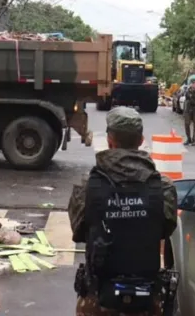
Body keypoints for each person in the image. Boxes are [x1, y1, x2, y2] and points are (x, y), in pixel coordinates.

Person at [68, 107, 178, 316]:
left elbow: (79, 231)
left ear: (110, 141)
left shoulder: (88, 185)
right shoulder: (163, 187)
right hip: (145, 301)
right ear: (141, 140)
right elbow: (166, 229)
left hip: (98, 300)